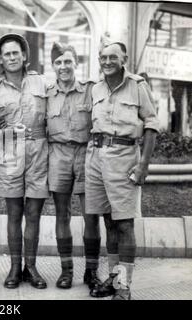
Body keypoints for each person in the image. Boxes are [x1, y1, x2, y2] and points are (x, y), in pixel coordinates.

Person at [86, 38, 159, 300]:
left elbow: (151, 126)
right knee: (108, 221)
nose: (107, 62)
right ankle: (115, 279)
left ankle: (124, 287)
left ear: (123, 60)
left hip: (124, 156)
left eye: (112, 57)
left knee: (124, 223)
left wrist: (143, 166)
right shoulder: (95, 88)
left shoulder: (138, 85)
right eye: (103, 57)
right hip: (95, 157)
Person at [0, 33, 48, 289]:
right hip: (9, 155)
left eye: (15, 53)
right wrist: (7, 133)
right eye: (6, 54)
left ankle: (32, 267)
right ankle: (15, 268)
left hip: (39, 155)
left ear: (24, 56)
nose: (11, 57)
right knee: (14, 214)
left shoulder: (42, 83)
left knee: (34, 214)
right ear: (0, 59)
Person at [46, 43, 101, 290]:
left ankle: (91, 271)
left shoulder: (90, 90)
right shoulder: (47, 93)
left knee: (91, 214)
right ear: (53, 66)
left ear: (75, 63)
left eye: (67, 61)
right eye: (58, 62)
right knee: (62, 214)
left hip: (85, 153)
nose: (63, 67)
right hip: (58, 154)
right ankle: (66, 271)